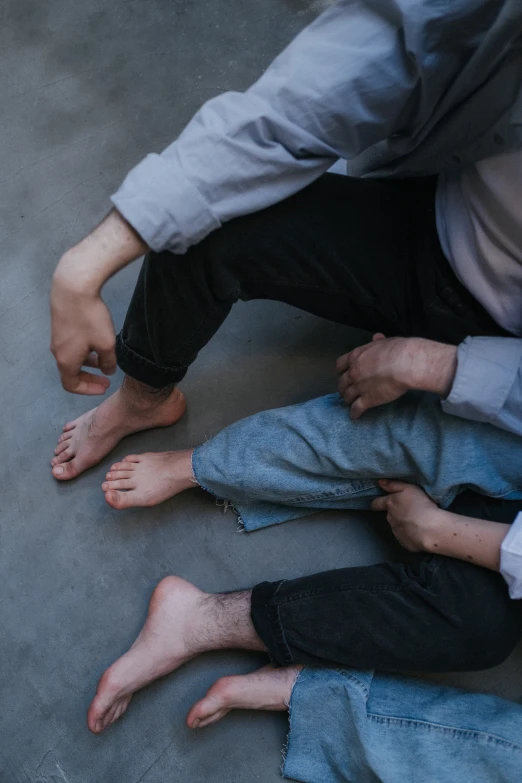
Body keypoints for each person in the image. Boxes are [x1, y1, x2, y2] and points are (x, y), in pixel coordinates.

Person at [49, 0, 522, 738]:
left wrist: (447, 369)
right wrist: (92, 257)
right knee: (214, 223)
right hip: (439, 225)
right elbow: (348, 68)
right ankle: (145, 395)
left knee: (481, 621)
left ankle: (204, 619)